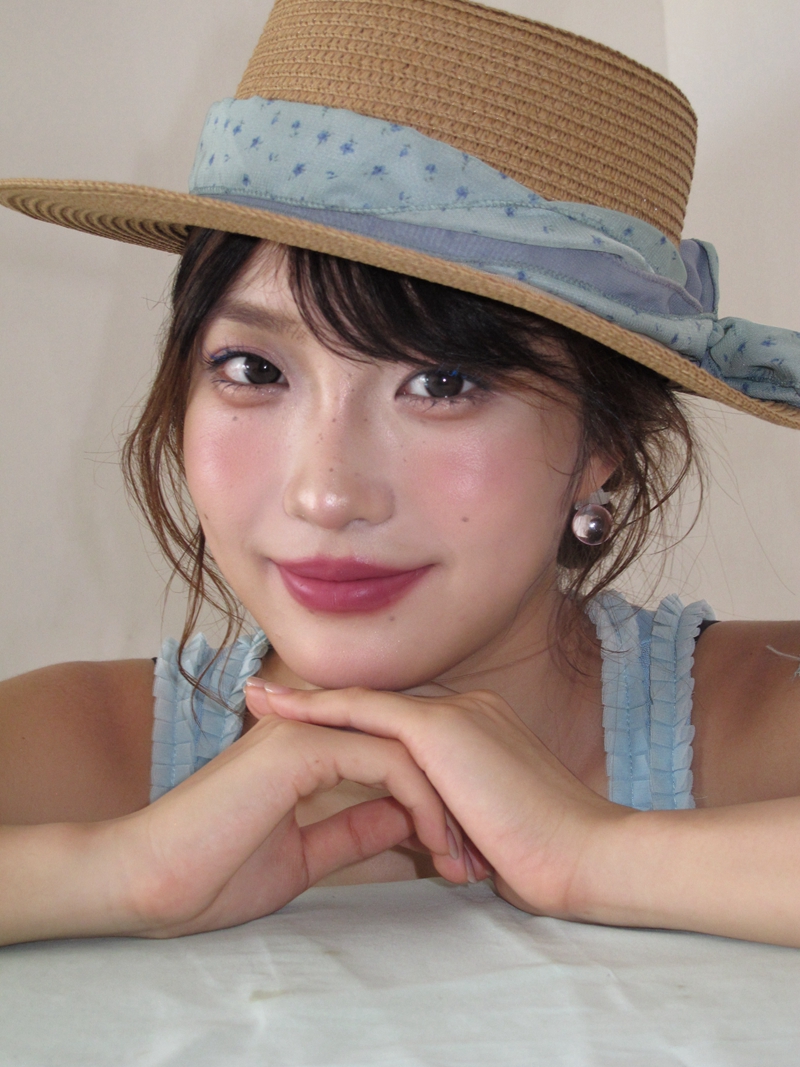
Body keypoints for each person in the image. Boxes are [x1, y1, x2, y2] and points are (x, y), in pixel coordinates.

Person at [2, 0, 800, 948]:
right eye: (253, 369)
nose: (326, 494)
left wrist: (597, 853)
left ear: (606, 439)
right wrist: (120, 871)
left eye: (442, 383)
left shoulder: (758, 719)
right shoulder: (84, 748)